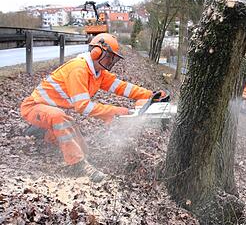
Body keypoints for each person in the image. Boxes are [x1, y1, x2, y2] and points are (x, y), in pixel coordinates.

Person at [21, 33, 165, 182]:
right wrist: (115, 111)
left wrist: (150, 95)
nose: (111, 61)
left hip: (52, 111)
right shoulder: (78, 69)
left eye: (113, 59)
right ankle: (77, 165)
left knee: (76, 138)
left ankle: (42, 134)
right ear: (96, 52)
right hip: (35, 107)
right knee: (59, 118)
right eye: (109, 57)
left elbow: (122, 87)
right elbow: (83, 106)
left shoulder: (98, 73)